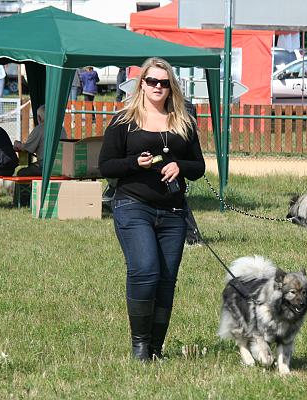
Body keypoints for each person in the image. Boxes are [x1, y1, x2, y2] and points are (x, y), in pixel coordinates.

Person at [99, 57, 205, 361]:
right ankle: (140, 346)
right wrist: (135, 163)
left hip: (173, 212)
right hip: (133, 205)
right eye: (152, 81)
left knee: (166, 280)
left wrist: (179, 166)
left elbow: (198, 167)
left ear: (171, 87)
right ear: (141, 84)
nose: (158, 87)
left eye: (163, 82)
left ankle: (157, 349)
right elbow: (105, 165)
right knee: (145, 270)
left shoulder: (184, 121)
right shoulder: (123, 120)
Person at [13, 104, 67, 206]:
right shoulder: (61, 128)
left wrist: (18, 144)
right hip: (61, 166)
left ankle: (22, 202)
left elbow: (27, 148)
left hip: (45, 167)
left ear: (39, 117)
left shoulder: (40, 128)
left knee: (22, 173)